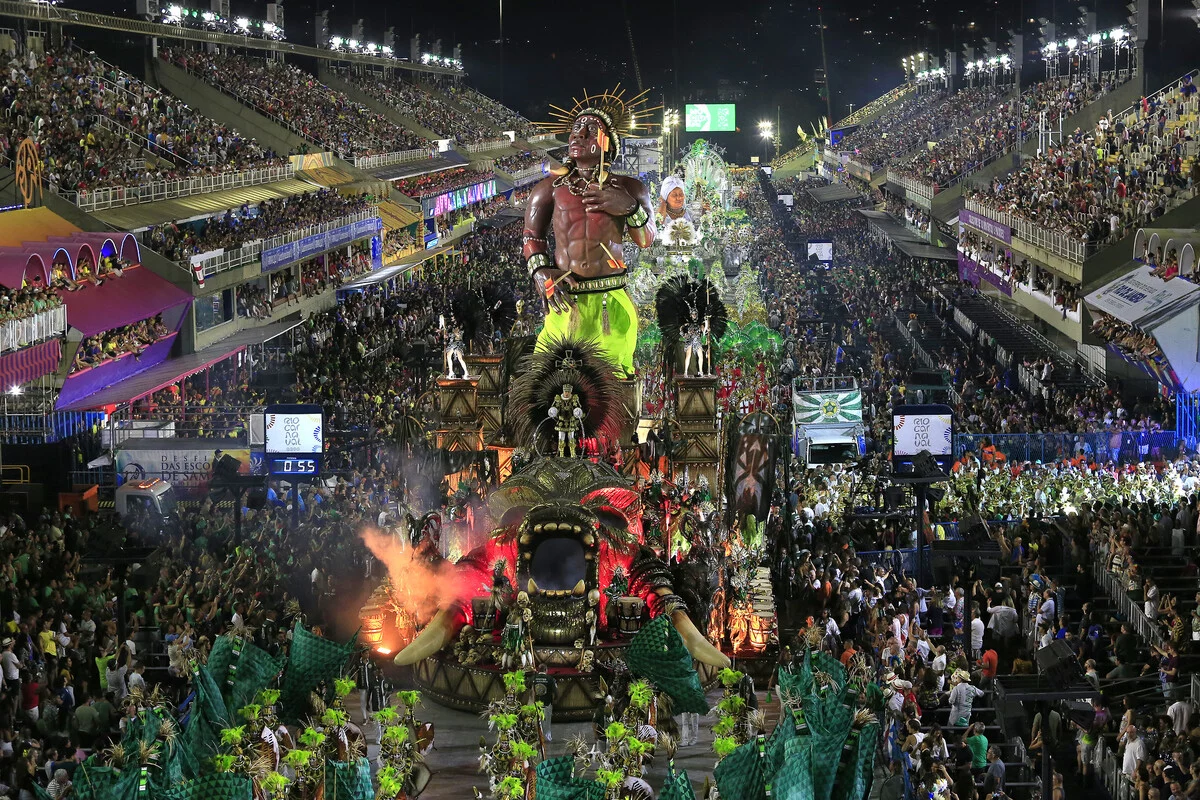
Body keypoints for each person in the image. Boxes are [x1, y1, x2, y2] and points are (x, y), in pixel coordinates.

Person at [523, 90, 657, 377]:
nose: (579, 135)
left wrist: (629, 208)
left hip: (610, 302)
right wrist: (540, 273)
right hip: (565, 303)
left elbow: (646, 240)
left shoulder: (632, 188)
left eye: (590, 130)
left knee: (612, 392)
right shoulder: (548, 189)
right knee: (549, 388)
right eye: (575, 129)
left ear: (606, 143)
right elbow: (531, 237)